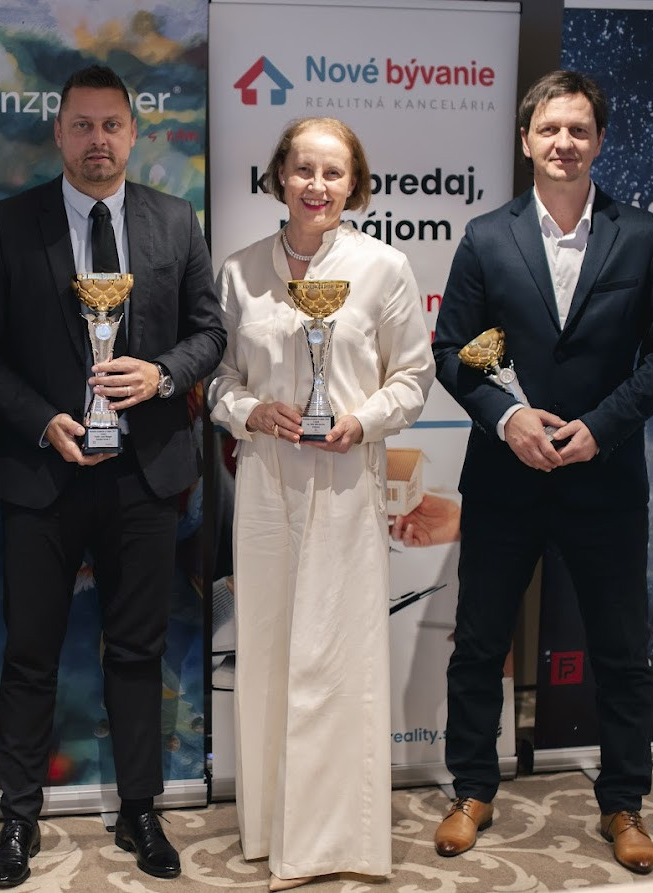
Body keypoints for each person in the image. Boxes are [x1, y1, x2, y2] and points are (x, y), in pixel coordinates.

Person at [0, 65, 225, 888]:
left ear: (133, 133)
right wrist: (42, 418)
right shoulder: (8, 225)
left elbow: (209, 332)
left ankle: (140, 809)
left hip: (145, 475)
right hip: (44, 470)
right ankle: (19, 817)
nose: (96, 140)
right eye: (82, 125)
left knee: (138, 651)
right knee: (30, 652)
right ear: (59, 132)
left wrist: (163, 375)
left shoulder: (174, 220)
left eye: (111, 125)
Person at [431, 70, 653, 875]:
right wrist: (506, 417)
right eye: (549, 129)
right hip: (504, 477)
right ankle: (471, 789)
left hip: (602, 480)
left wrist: (601, 428)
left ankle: (623, 802)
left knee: (620, 651)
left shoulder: (642, 236)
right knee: (479, 643)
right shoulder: (485, 236)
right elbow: (450, 351)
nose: (563, 142)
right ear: (525, 140)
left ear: (598, 141)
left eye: (578, 129)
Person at [207, 116, 434, 891]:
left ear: (353, 184)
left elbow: (412, 376)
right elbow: (216, 378)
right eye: (303, 169)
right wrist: (249, 412)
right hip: (266, 488)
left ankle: (336, 837)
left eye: (333, 173)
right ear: (279, 175)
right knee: (270, 654)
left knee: (337, 659)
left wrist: (361, 420)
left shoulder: (383, 268)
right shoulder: (239, 271)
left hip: (344, 486)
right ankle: (274, 829)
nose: (316, 185)